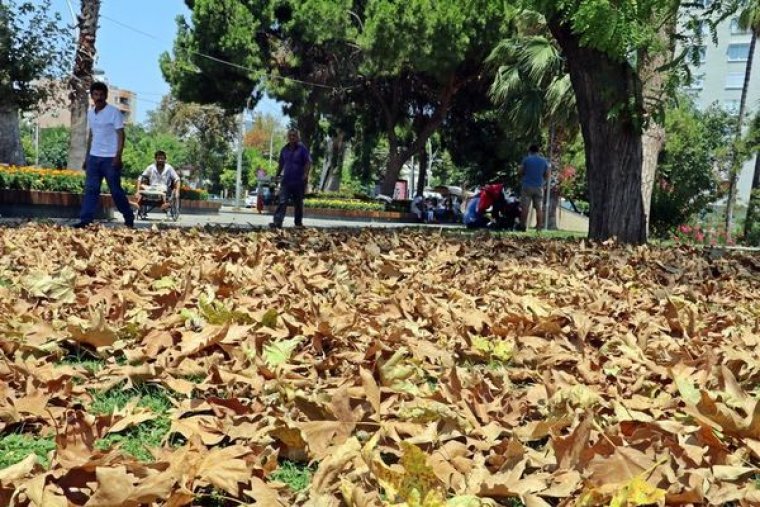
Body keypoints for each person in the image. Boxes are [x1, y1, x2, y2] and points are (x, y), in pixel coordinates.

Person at [73, 82, 135, 228]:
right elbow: (91, 136)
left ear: (106, 95)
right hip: (94, 158)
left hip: (110, 159)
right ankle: (85, 220)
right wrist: (87, 157)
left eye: (101, 94)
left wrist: (118, 156)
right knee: (91, 189)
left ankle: (128, 215)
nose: (99, 97)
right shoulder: (90, 112)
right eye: (96, 94)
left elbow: (121, 135)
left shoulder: (114, 112)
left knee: (115, 190)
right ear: (92, 96)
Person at [270, 129, 311, 228]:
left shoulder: (302, 149)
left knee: (298, 203)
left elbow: (308, 162)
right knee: (282, 201)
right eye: (290, 135)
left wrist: (305, 174)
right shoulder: (284, 149)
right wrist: (277, 175)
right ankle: (277, 222)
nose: (292, 137)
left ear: (297, 137)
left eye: (294, 136)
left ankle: (298, 223)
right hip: (286, 181)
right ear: (288, 137)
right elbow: (281, 164)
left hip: (298, 181)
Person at [519, 144, 550, 230]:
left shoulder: (526, 160)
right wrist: (543, 181)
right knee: (539, 208)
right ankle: (539, 227)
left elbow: (520, 171)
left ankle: (523, 226)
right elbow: (547, 174)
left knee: (525, 207)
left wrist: (523, 177)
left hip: (527, 186)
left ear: (530, 151)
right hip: (539, 187)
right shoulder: (544, 161)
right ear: (538, 151)